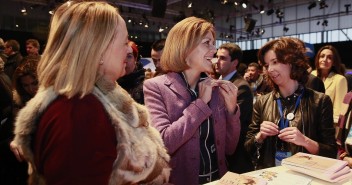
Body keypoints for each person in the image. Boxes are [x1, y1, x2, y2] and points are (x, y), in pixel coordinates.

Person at [9, 2, 170, 185]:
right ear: (99, 49)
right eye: (124, 42)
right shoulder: (78, 112)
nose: (128, 50)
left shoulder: (95, 98)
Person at [143, 16, 241, 185]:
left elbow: (229, 149)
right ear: (185, 47)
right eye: (207, 43)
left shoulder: (215, 88)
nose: (214, 49)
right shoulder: (156, 87)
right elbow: (164, 144)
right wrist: (200, 104)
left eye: (213, 43)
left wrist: (232, 110)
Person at [244, 37, 337, 170]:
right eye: (266, 65)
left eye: (275, 62)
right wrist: (260, 136)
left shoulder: (320, 101)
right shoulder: (262, 102)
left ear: (292, 61)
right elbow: (248, 148)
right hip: (270, 176)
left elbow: (331, 152)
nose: (269, 69)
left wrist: (304, 141)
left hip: (305, 176)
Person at [215, 43, 253, 173]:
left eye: (222, 58)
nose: (217, 61)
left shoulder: (241, 87)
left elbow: (233, 123)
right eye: (216, 57)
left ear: (234, 62)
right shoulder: (215, 82)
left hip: (233, 154)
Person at [0, 57, 28, 185]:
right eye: (26, 85)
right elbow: (8, 132)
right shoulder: (18, 101)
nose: (30, 88)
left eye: (34, 83)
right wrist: (11, 142)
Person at [311, 45, 348, 126]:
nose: (324, 60)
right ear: (318, 59)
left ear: (334, 62)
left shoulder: (340, 79)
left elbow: (338, 111)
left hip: (326, 125)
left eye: (329, 57)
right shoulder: (311, 75)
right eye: (322, 56)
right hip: (309, 122)